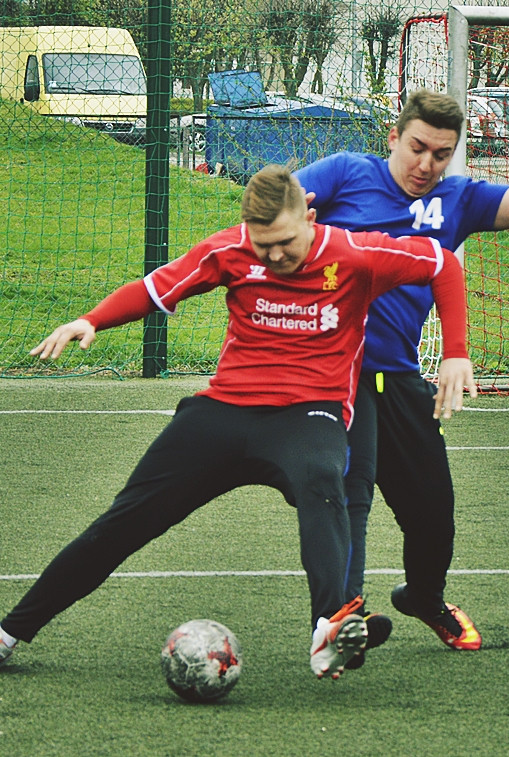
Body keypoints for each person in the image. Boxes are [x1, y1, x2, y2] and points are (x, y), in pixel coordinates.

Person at [0, 164, 476, 679]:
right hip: (225, 411)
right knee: (123, 522)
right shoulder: (230, 249)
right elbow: (155, 290)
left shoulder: (355, 254)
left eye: (286, 243)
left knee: (326, 481)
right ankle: (9, 633)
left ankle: (327, 627)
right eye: (263, 245)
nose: (275, 256)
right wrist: (91, 319)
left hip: (308, 413)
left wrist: (456, 351)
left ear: (310, 217)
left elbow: (441, 264)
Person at [294, 62, 509, 651]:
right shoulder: (346, 172)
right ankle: (343, 620)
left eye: (441, 154)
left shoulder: (458, 199)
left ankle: (422, 596)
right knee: (351, 492)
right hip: (333, 373)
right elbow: (267, 206)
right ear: (394, 137)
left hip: (397, 377)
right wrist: (295, 228)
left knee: (432, 511)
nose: (426, 164)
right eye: (417, 148)